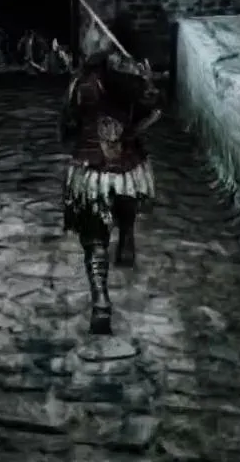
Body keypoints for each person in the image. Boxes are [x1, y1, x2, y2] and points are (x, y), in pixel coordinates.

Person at [58, 44, 161, 335]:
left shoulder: (82, 82)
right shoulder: (134, 81)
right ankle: (126, 237)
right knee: (125, 203)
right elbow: (151, 110)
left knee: (94, 239)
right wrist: (148, 86)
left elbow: (67, 127)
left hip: (90, 171)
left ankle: (101, 300)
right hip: (127, 168)